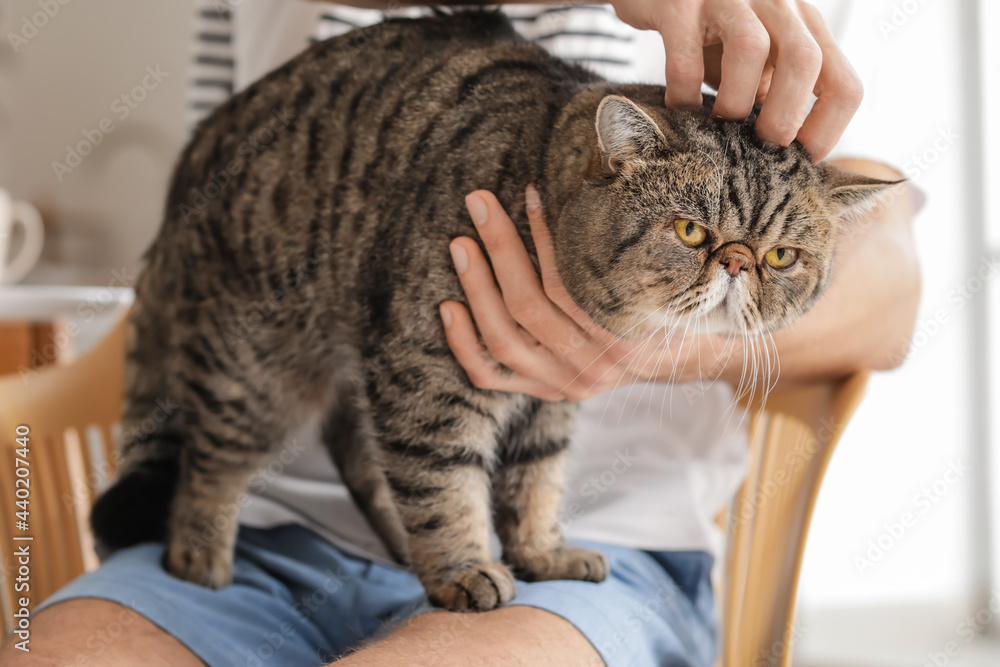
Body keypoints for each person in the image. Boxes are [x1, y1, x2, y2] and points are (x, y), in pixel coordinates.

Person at [2, 1, 920, 666]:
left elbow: (888, 288)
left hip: (597, 566)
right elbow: (225, 219)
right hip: (266, 538)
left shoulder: (750, 42)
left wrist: (657, 345)